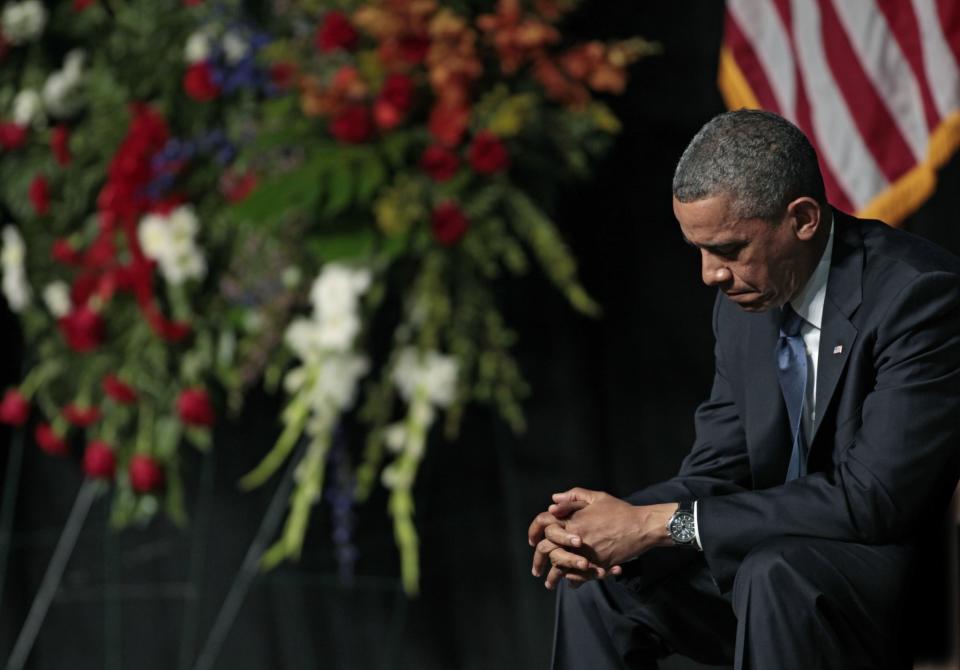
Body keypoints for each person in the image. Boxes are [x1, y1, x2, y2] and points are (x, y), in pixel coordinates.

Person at [528, 109, 960, 670]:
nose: (711, 274)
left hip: (900, 582)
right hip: (776, 568)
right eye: (699, 250)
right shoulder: (742, 308)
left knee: (772, 571)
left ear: (802, 219)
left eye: (729, 249)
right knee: (598, 578)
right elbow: (716, 471)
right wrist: (601, 525)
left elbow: (873, 501)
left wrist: (653, 525)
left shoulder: (919, 296)